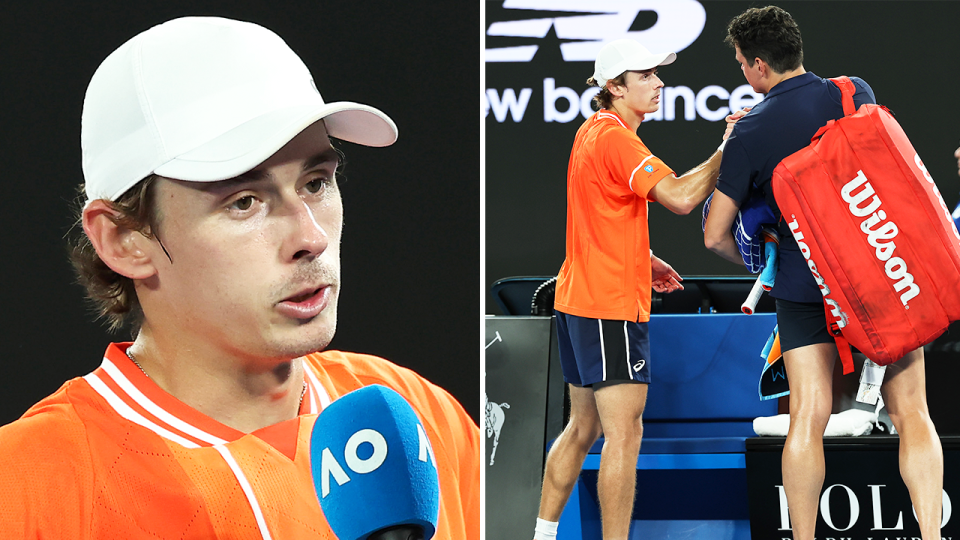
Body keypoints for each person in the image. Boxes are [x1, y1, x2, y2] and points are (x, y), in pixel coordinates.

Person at [0, 16, 480, 539]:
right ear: (124, 240)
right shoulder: (30, 485)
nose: (310, 236)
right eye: (244, 202)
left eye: (316, 182)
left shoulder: (416, 416)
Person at [703, 6, 943, 540]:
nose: (744, 72)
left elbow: (714, 234)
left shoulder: (748, 133)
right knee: (912, 412)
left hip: (801, 285)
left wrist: (763, 258)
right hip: (882, 272)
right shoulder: (852, 92)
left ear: (759, 65)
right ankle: (931, 535)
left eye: (742, 63)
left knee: (806, 415)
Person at [533, 39, 730, 540]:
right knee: (624, 434)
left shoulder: (591, 132)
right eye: (645, 75)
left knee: (582, 429)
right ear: (614, 87)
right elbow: (683, 199)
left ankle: (541, 534)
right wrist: (729, 149)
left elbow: (597, 219)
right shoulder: (618, 140)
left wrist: (643, 257)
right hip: (609, 308)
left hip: (579, 300)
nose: (659, 83)